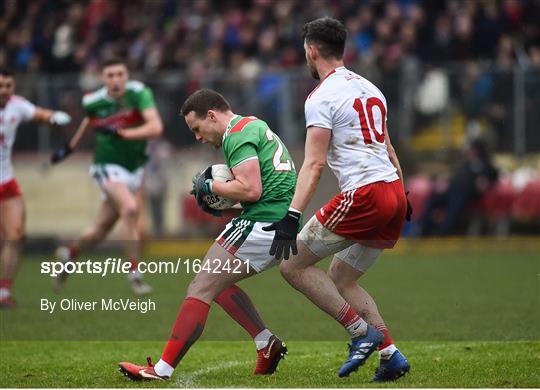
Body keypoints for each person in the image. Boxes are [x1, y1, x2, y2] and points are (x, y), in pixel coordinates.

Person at [263, 18, 411, 381]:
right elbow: (389, 151)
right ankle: (390, 355)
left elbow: (313, 165)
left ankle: (360, 334)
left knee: (292, 265)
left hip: (365, 195)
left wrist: (291, 216)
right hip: (393, 192)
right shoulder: (371, 88)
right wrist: (403, 196)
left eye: (305, 52)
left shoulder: (321, 96)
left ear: (311, 50)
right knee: (342, 277)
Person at [118, 89, 296, 380]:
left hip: (264, 222)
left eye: (197, 129)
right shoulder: (251, 125)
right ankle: (266, 343)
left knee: (200, 287)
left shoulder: (236, 136)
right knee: (217, 284)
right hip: (275, 218)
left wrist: (210, 187)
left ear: (212, 115)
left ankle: (161, 370)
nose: (198, 137)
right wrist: (221, 199)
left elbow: (251, 189)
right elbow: (258, 188)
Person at [50, 58, 163, 295]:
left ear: (127, 76)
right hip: (106, 165)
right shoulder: (92, 101)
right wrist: (70, 147)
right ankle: (135, 275)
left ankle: (68, 257)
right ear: (103, 79)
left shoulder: (139, 93)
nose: (116, 80)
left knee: (99, 231)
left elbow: (155, 128)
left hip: (135, 167)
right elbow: (89, 121)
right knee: (131, 209)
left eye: (120, 74)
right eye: (110, 75)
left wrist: (122, 133)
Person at [0, 67, 72, 309]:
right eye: (0, 86)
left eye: (8, 86)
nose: (4, 91)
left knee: (16, 235)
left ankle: (3, 292)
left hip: (6, 181)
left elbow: (39, 114)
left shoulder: (17, 105)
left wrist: (54, 118)